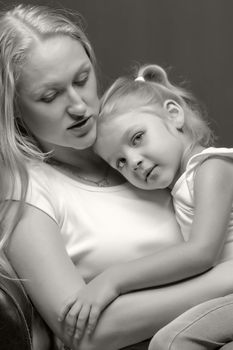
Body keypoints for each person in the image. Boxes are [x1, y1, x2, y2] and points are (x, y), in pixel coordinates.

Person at [0, 4, 233, 350]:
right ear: (14, 108)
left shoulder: (136, 142)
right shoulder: (28, 193)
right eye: (50, 96)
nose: (79, 106)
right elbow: (86, 334)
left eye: (82, 79)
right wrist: (226, 279)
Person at [59, 63, 233, 345]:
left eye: (137, 138)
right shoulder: (179, 186)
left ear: (174, 114)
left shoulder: (212, 167)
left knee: (171, 341)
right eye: (121, 162)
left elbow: (202, 253)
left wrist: (113, 279)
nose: (135, 162)